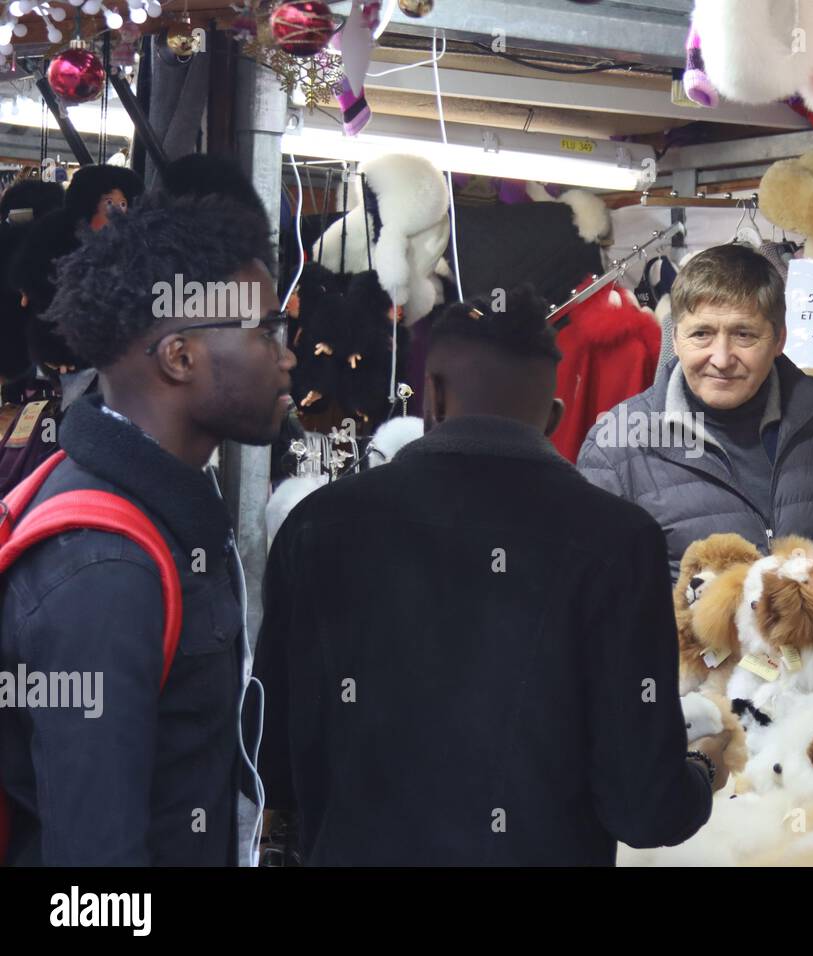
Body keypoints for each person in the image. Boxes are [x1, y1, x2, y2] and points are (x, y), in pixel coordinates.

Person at [254, 288, 724, 866]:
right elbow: (645, 810)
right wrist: (704, 768)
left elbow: (268, 766)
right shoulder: (618, 543)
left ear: (431, 397)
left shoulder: (316, 527)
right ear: (553, 415)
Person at [0, 192, 294, 865]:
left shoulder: (156, 515)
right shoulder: (108, 570)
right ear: (180, 357)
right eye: (265, 331)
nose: (287, 358)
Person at [577, 243, 813, 578]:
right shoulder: (616, 446)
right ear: (677, 337)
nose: (722, 359)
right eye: (702, 334)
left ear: (779, 339)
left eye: (744, 335)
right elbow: (598, 597)